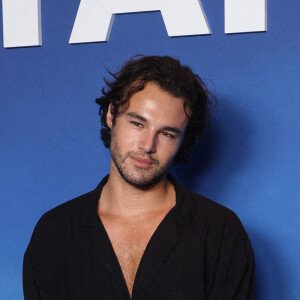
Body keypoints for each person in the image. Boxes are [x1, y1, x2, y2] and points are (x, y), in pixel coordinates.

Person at [23, 55, 254, 299]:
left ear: (183, 140)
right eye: (137, 123)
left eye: (166, 133)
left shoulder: (220, 232)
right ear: (111, 115)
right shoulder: (54, 232)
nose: (147, 145)